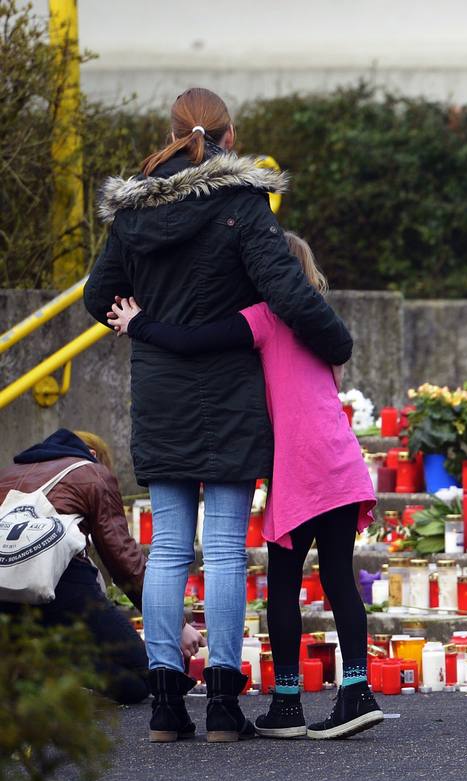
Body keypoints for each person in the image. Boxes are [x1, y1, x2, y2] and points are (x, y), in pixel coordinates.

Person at [84, 87, 354, 743]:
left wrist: (141, 322)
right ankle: (226, 708)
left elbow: (98, 296)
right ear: (227, 137)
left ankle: (166, 706)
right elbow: (285, 289)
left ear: (172, 133)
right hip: (230, 391)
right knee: (226, 550)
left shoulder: (133, 214)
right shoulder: (241, 201)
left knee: (171, 548)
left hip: (160, 390)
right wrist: (336, 342)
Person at [108, 234, 381, 739]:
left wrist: (139, 323)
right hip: (342, 465)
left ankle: (287, 703)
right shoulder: (319, 324)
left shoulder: (263, 317)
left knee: (282, 584)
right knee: (340, 577)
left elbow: (196, 341)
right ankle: (357, 691)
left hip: (300, 472)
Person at [0, 429, 201, 705]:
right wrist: (175, 624)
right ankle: (59, 664)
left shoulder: (7, 473)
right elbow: (123, 559)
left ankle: (32, 660)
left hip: (5, 586)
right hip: (64, 583)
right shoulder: (91, 473)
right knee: (143, 675)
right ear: (93, 455)